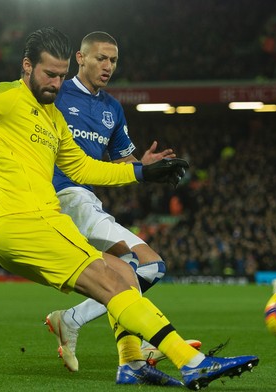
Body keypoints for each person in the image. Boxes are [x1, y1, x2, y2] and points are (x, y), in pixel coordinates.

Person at [0, 27, 258, 389]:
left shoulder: (53, 118)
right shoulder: (6, 96)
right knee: (117, 279)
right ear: (27, 66)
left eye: (61, 76)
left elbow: (82, 167)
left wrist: (140, 175)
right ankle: (193, 363)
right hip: (22, 222)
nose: (55, 84)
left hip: (41, 223)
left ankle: (132, 362)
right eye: (49, 74)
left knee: (125, 273)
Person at [45, 31, 200, 373]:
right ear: (80, 58)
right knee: (150, 266)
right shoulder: (55, 92)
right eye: (101, 58)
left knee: (130, 271)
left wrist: (142, 164)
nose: (108, 66)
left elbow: (123, 164)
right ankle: (87, 326)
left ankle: (124, 356)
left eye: (113, 60)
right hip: (63, 196)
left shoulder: (112, 109)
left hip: (87, 199)